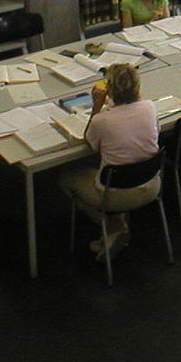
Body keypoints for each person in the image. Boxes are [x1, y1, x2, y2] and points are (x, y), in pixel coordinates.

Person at [58, 62, 160, 261]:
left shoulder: (101, 120)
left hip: (113, 196)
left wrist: (97, 105)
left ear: (109, 91)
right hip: (151, 185)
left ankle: (112, 227)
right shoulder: (150, 107)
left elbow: (90, 142)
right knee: (116, 166)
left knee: (66, 177)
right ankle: (117, 225)